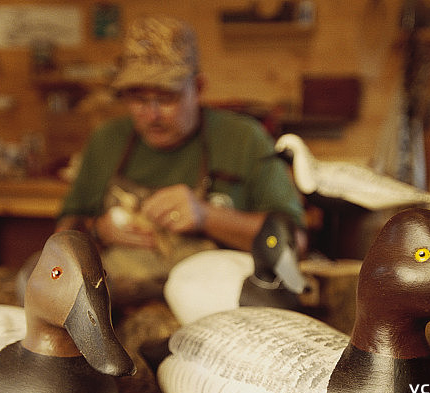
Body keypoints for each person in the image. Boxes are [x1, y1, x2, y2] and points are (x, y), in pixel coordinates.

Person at [56, 15, 305, 255]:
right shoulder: (106, 140)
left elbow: (295, 242)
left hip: (215, 294)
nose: (152, 114)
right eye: (138, 99)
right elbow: (63, 235)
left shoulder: (244, 139)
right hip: (118, 293)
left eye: (166, 98)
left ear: (198, 88)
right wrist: (97, 231)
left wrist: (207, 217)